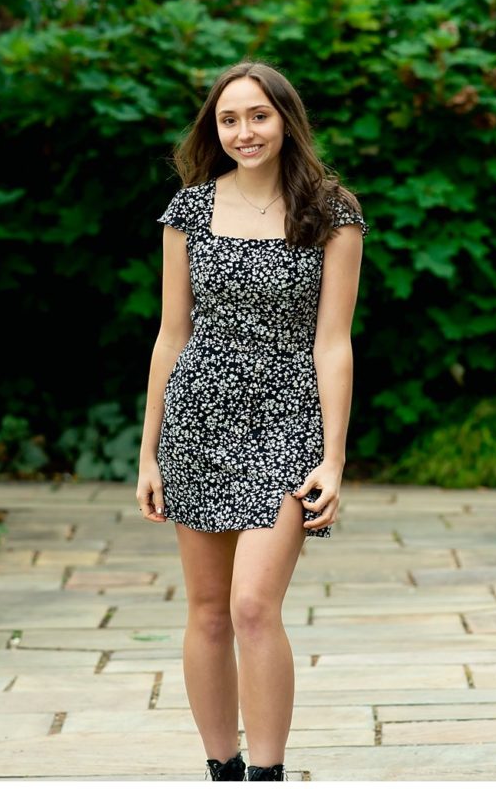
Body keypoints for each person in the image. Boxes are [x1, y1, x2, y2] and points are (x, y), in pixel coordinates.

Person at [138, 62, 367, 783]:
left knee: (253, 606)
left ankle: (267, 775)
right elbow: (172, 335)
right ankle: (222, 769)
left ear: (286, 122)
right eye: (229, 119)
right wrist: (149, 453)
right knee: (208, 611)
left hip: (289, 421)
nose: (244, 132)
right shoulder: (188, 210)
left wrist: (333, 458)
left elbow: (334, 343)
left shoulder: (331, 212)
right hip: (198, 422)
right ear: (215, 128)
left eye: (258, 116)